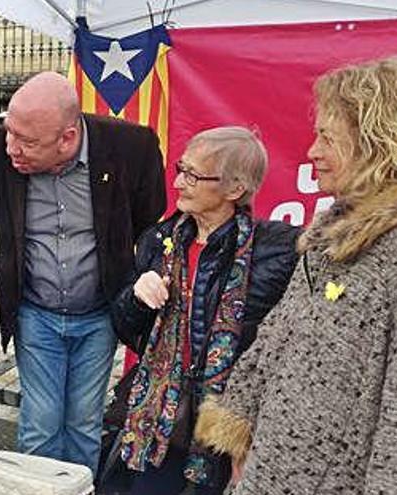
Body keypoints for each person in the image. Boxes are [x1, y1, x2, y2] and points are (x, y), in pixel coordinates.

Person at [194, 56, 397, 494]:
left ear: (380, 141)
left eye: (326, 138)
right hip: (270, 470)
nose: (312, 152)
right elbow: (277, 337)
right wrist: (239, 429)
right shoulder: (333, 237)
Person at [0, 71, 167, 475]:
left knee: (84, 425)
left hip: (98, 313)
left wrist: (145, 278)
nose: (12, 148)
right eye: (9, 131)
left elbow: (150, 224)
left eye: (27, 142)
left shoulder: (132, 148)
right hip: (34, 311)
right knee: (40, 425)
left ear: (68, 139)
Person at [106, 127, 299, 494]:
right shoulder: (158, 242)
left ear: (234, 189)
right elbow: (126, 329)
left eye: (193, 175)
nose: (179, 181)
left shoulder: (277, 250)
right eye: (181, 169)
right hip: (161, 422)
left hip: (227, 426)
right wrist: (135, 297)